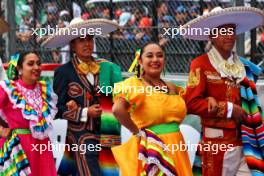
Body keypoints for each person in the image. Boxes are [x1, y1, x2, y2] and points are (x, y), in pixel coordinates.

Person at [111, 42, 218, 175]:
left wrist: (208, 98)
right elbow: (117, 110)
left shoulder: (172, 87)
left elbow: (192, 101)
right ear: (140, 60)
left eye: (159, 56)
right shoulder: (134, 84)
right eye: (149, 56)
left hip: (177, 147)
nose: (155, 59)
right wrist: (137, 133)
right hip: (152, 148)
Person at [183, 6, 264, 176]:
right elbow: (190, 103)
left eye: (232, 31)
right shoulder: (200, 64)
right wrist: (227, 109)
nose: (230, 36)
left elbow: (252, 103)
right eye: (223, 32)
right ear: (212, 36)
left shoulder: (244, 66)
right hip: (217, 143)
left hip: (248, 141)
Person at [42, 17, 122, 176]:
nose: (87, 44)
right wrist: (84, 112)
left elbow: (118, 97)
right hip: (80, 137)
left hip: (107, 135)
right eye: (81, 40)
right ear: (72, 44)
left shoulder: (107, 68)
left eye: (90, 39)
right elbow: (55, 109)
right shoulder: (63, 72)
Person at [0, 52, 57, 175]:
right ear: (20, 69)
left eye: (38, 63)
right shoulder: (9, 88)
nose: (36, 67)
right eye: (30, 64)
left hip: (43, 146)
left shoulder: (45, 89)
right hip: (20, 146)